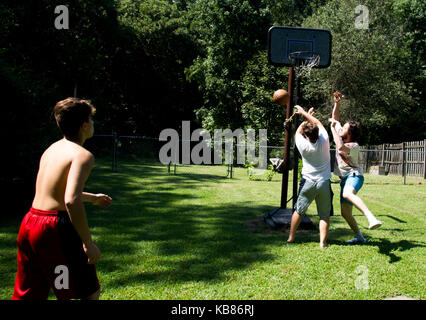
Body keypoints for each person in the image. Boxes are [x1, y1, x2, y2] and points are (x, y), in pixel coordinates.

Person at [12, 97, 112, 300]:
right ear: (84, 125)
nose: (93, 124)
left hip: (30, 224)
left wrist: (93, 198)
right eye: (91, 120)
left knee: (30, 291)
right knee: (85, 292)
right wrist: (88, 243)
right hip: (53, 231)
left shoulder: (51, 149)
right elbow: (70, 200)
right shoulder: (82, 155)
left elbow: (55, 192)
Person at [329, 92, 382, 245]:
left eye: (343, 128)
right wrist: (337, 104)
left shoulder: (353, 146)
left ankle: (371, 217)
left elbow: (340, 147)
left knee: (347, 194)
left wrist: (334, 129)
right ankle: (359, 237)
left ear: (349, 133)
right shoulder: (342, 135)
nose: (340, 129)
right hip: (344, 179)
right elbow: (336, 119)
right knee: (345, 213)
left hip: (354, 176)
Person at [287, 105, 333, 248]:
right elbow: (318, 123)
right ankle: (322, 243)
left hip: (308, 182)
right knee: (324, 215)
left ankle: (291, 238)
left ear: (307, 136)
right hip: (324, 182)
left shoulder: (302, 144)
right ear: (318, 133)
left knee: (299, 211)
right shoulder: (324, 140)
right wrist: (307, 114)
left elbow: (299, 131)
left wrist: (303, 116)